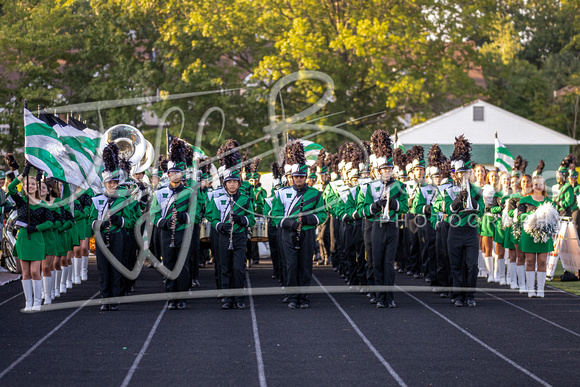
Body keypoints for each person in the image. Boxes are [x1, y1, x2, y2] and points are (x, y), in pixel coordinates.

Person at [272, 140, 327, 309]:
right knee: (290, 264)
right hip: (288, 233)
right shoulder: (282, 193)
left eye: (301, 177)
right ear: (291, 177)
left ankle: (303, 296)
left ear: (306, 178)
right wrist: (290, 223)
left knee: (305, 265)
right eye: (296, 177)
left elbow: (322, 214)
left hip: (308, 233)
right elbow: (275, 215)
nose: (298, 179)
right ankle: (292, 295)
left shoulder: (315, 194)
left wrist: (309, 220)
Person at [206, 140, 255, 309]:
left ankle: (239, 298)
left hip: (240, 237)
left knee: (238, 268)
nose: (232, 184)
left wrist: (243, 220)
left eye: (235, 182)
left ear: (239, 183)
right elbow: (211, 217)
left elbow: (252, 219)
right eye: (229, 182)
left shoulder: (245, 199)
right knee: (225, 268)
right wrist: (219, 226)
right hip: (223, 237)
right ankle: (227, 299)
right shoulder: (217, 198)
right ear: (225, 184)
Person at [363, 130, 409, 308]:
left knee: (389, 264)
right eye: (384, 169)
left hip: (392, 226)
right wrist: (375, 206)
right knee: (377, 263)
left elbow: (405, 206)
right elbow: (364, 208)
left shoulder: (400, 185)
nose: (387, 171)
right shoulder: (371, 186)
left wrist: (393, 205)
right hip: (376, 226)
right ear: (379, 170)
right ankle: (379, 296)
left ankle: (389, 297)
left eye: (390, 168)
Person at [150, 138, 195, 310]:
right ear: (168, 174)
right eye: (172, 173)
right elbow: (153, 214)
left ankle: (181, 297)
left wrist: (183, 217)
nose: (175, 175)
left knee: (182, 265)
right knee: (168, 264)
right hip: (166, 232)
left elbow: (194, 214)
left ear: (182, 174)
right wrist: (164, 222)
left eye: (178, 172)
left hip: (183, 231)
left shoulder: (189, 192)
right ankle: (171, 297)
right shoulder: (160, 193)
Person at [90, 143, 135, 311]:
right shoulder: (97, 199)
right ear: (104, 183)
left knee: (116, 266)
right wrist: (98, 225)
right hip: (102, 235)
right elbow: (90, 220)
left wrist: (119, 220)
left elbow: (130, 221)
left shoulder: (123, 200)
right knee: (102, 268)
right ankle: (104, 297)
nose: (112, 185)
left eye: (114, 182)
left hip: (117, 235)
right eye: (109, 183)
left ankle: (114, 298)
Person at [9, 161, 54, 312]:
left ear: (37, 187)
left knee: (35, 271)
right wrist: (23, 172)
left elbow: (50, 223)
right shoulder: (21, 202)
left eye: (33, 185)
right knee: (25, 272)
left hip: (36, 239)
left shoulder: (43, 204)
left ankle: (37, 301)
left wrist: (36, 228)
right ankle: (28, 302)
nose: (31, 187)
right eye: (28, 185)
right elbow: (10, 188)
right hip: (23, 239)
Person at [445, 135, 484, 307]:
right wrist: (459, 199)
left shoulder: (477, 190)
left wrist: (472, 200)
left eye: (466, 173)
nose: (463, 176)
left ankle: (470, 295)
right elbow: (449, 210)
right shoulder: (449, 190)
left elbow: (481, 210)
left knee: (472, 265)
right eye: (460, 173)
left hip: (470, 230)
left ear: (470, 173)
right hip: (454, 230)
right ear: (456, 174)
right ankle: (458, 295)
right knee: (455, 265)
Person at [518, 175, 555, 298]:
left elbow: (555, 218)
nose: (538, 186)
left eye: (540, 184)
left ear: (544, 186)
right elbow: (519, 217)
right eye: (535, 184)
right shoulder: (524, 200)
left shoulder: (549, 202)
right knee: (529, 261)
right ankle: (530, 290)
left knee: (542, 261)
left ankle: (540, 289)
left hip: (544, 236)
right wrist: (534, 216)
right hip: (529, 235)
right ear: (532, 185)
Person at [490, 170, 513, 286]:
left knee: (510, 252)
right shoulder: (497, 194)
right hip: (500, 224)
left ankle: (509, 276)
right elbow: (493, 209)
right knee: (500, 252)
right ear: (501, 181)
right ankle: (500, 276)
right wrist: (501, 208)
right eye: (504, 179)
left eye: (508, 179)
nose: (506, 181)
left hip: (510, 224)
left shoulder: (513, 194)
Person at [481, 168, 498, 282]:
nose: (494, 178)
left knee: (498, 249)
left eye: (496, 176)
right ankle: (490, 273)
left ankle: (497, 273)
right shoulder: (484, 189)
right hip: (487, 218)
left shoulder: (502, 190)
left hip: (498, 220)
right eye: (492, 176)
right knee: (488, 247)